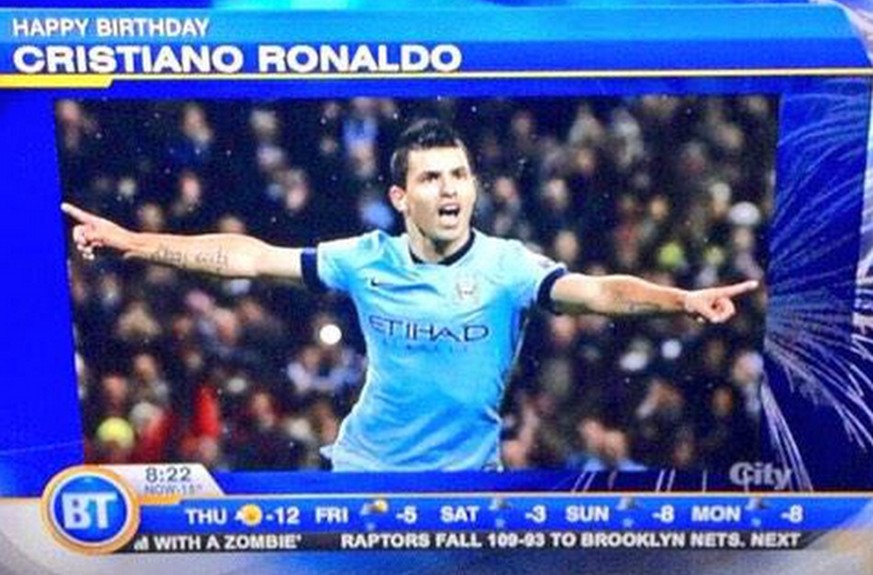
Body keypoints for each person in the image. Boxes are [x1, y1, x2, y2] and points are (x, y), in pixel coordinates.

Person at [63, 118, 758, 472]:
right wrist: (138, 242)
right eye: (431, 178)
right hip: (362, 474)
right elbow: (249, 256)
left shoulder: (508, 266)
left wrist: (680, 300)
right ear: (401, 197)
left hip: (466, 483)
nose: (449, 188)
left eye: (459, 175)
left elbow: (599, 291)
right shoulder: (367, 258)